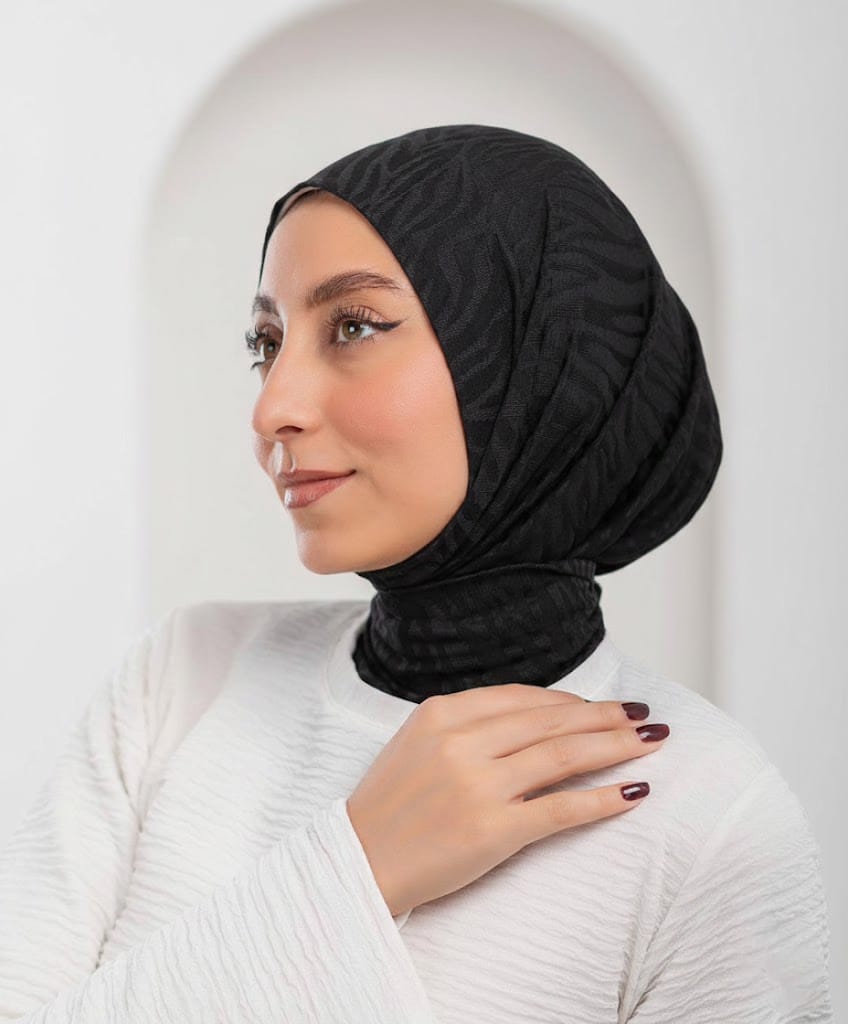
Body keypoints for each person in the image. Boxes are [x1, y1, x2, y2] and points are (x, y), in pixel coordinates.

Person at [0, 125, 832, 1022]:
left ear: (536, 355)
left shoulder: (708, 810)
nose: (272, 406)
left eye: (353, 326)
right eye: (266, 342)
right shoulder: (184, 677)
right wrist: (358, 866)